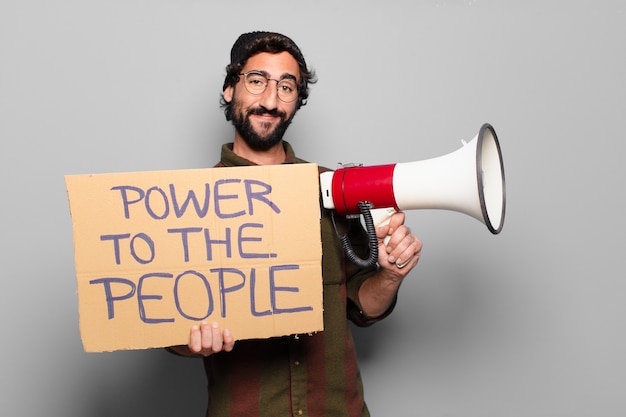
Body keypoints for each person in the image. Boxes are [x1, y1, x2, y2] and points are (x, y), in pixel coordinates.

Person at [168, 31, 422, 417]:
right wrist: (191, 340)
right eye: (256, 81)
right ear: (228, 89)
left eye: (286, 87)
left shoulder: (334, 190)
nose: (270, 101)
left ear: (297, 101)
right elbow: (166, 326)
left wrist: (390, 276)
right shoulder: (191, 203)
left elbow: (361, 306)